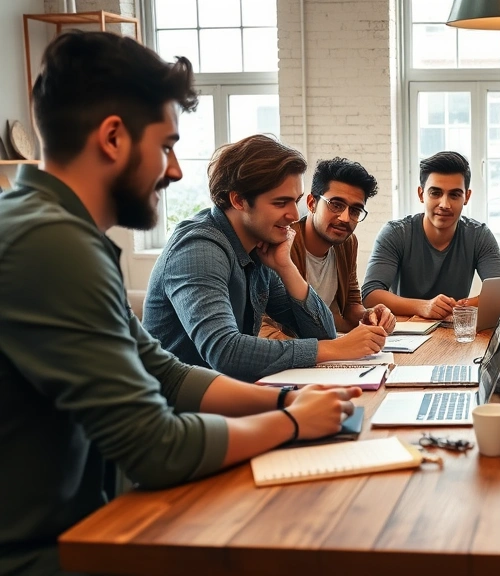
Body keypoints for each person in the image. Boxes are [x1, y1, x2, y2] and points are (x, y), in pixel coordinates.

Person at [0, 31, 359, 576]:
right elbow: (156, 445)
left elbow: (161, 372)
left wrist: (285, 401)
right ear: (114, 138)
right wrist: (291, 422)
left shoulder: (58, 231)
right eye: (166, 145)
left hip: (85, 528)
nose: (175, 171)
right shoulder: (50, 243)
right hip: (47, 554)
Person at [145, 135, 388, 382]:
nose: (294, 215)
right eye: (281, 202)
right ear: (238, 200)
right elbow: (225, 351)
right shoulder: (199, 249)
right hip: (178, 410)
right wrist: (336, 349)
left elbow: (322, 331)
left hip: (228, 396)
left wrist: (286, 267)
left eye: (295, 201)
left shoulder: (258, 248)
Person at [361, 151, 500, 319]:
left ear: (466, 197)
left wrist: (462, 306)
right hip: (406, 333)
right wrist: (423, 306)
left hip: (454, 331)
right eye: (435, 193)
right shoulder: (396, 233)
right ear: (421, 194)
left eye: (454, 195)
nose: (444, 204)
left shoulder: (479, 236)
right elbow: (370, 295)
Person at [260, 157, 396, 340]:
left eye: (355, 210)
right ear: (311, 203)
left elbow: (351, 305)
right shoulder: (281, 244)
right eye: (336, 205)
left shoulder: (347, 243)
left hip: (326, 346)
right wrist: (314, 353)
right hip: (292, 353)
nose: (345, 218)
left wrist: (371, 316)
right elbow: (261, 322)